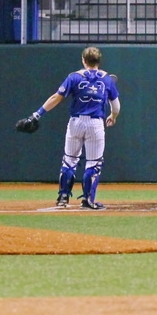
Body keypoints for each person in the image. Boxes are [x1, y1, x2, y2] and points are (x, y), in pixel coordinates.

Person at [23, 46, 120, 209]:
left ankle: (63, 197)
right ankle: (88, 200)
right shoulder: (106, 79)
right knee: (93, 162)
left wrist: (37, 114)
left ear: (83, 60)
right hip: (95, 123)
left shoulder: (74, 77)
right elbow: (116, 106)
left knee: (69, 160)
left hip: (75, 122)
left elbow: (56, 97)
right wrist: (113, 117)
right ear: (99, 61)